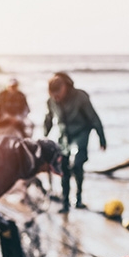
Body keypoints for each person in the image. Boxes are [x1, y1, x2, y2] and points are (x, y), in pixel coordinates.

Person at [43, 72, 106, 213]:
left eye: (58, 94)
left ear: (64, 87)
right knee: (63, 167)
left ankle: (78, 198)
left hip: (80, 134)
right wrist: (44, 137)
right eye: (53, 95)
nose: (56, 97)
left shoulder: (80, 97)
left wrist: (101, 137)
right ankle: (65, 203)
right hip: (63, 136)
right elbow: (48, 118)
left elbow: (94, 118)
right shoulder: (51, 101)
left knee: (77, 164)